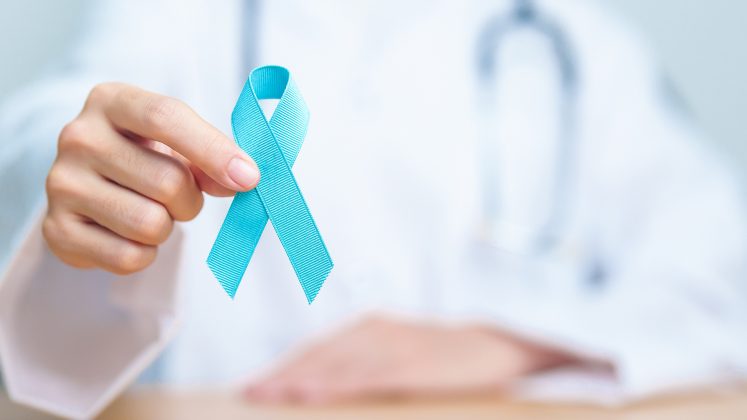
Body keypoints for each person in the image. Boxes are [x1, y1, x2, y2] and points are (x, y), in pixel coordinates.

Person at [1, 0, 746, 418]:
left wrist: (524, 342)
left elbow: (720, 268)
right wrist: (85, 175)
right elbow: (68, 122)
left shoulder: (576, 37)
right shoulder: (168, 16)